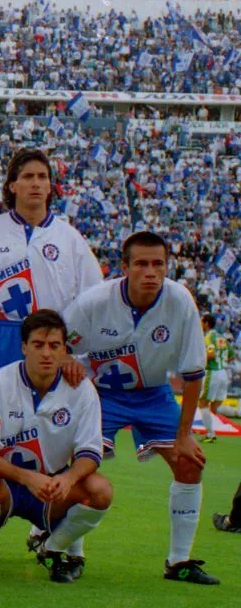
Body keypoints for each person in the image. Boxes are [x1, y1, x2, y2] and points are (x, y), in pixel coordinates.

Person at [62, 231, 220, 585]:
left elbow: (194, 374)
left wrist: (184, 436)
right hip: (102, 394)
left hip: (153, 393)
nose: (151, 272)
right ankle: (70, 554)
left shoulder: (180, 301)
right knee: (81, 467)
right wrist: (68, 359)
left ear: (167, 266)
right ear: (124, 267)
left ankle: (178, 561)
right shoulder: (94, 301)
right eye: (141, 264)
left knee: (189, 462)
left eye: (158, 264)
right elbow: (59, 342)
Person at [0, 148, 102, 422]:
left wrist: (71, 351)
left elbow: (93, 303)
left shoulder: (70, 239)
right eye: (27, 176)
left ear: (50, 186)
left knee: (49, 425)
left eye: (42, 176)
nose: (35, 183)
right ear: (12, 185)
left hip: (51, 344)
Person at [0, 310, 111, 583]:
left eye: (54, 346)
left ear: (64, 350)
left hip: (50, 487)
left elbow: (90, 453)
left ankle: (53, 548)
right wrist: (27, 477)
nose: (46, 353)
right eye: (38, 345)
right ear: (24, 347)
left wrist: (68, 478)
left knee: (100, 490)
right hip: (3, 484)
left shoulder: (82, 390)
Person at [198, 313, 233, 443]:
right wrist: (221, 362)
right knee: (214, 406)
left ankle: (210, 434)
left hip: (212, 372)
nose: (200, 324)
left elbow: (210, 355)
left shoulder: (208, 337)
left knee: (202, 402)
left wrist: (198, 362)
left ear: (206, 323)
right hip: (224, 372)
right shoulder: (222, 337)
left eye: (201, 321)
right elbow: (231, 355)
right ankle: (211, 429)